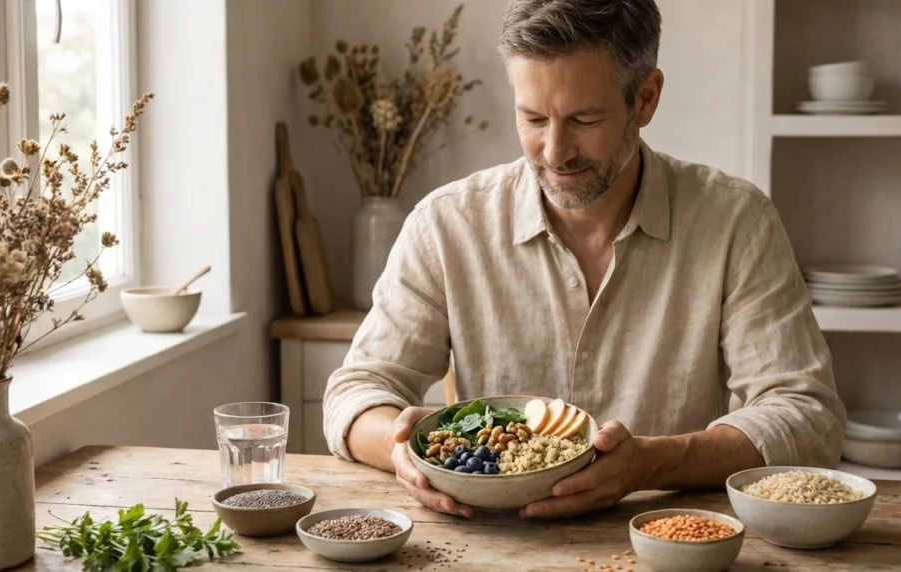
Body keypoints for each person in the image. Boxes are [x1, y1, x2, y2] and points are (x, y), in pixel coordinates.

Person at [322, 0, 846, 520]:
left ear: (645, 99)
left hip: (670, 542)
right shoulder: (446, 224)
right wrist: (399, 450)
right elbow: (355, 391)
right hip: (493, 546)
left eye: (584, 119)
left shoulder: (736, 221)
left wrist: (652, 464)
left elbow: (807, 416)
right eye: (532, 118)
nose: (554, 152)